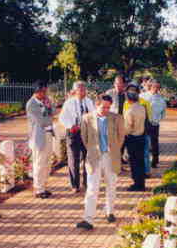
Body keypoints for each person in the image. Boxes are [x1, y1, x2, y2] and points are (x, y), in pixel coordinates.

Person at [76, 94, 125, 230]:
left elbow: (121, 137)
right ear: (96, 105)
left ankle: (110, 212)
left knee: (111, 185)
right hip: (94, 158)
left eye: (108, 107)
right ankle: (88, 219)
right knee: (92, 188)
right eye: (103, 107)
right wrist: (94, 151)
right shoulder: (86, 118)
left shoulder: (117, 118)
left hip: (111, 157)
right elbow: (84, 139)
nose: (106, 110)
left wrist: (113, 150)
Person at [59, 81, 94, 193]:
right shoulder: (68, 103)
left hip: (86, 133)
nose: (83, 91)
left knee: (87, 158)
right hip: (74, 133)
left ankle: (86, 183)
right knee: (73, 159)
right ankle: (75, 185)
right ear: (75, 91)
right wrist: (71, 126)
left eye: (84, 89)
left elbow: (93, 115)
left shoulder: (89, 102)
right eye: (80, 89)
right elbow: (62, 118)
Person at [26, 81, 54, 199]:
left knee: (47, 162)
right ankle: (38, 189)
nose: (45, 94)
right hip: (38, 138)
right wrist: (48, 110)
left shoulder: (45, 101)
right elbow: (43, 121)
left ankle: (43, 186)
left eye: (46, 91)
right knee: (39, 163)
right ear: (37, 91)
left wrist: (49, 108)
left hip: (48, 134)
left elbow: (53, 113)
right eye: (43, 91)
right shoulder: (31, 104)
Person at [123, 82, 152, 177]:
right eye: (130, 91)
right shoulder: (126, 104)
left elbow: (149, 118)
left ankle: (146, 172)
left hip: (142, 132)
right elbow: (125, 117)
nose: (132, 92)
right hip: (134, 133)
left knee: (144, 154)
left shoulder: (145, 103)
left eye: (134, 91)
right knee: (136, 158)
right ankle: (140, 176)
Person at [123, 84, 146, 191]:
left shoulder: (130, 111)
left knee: (134, 162)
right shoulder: (142, 108)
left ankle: (137, 184)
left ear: (128, 100)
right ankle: (141, 183)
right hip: (141, 136)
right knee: (140, 161)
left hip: (132, 138)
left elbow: (127, 128)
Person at [143, 80, 166, 168]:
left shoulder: (161, 99)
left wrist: (157, 120)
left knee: (154, 143)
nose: (156, 89)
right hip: (144, 123)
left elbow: (163, 113)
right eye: (154, 87)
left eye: (157, 87)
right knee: (145, 143)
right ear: (150, 86)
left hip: (154, 124)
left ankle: (155, 161)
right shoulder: (143, 96)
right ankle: (144, 161)